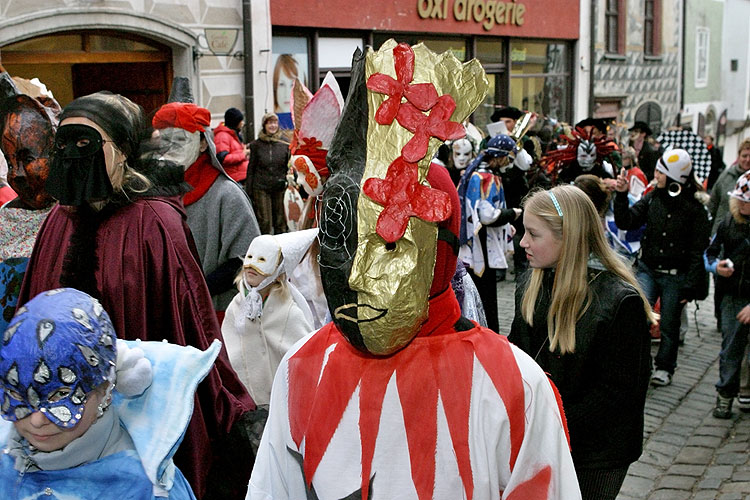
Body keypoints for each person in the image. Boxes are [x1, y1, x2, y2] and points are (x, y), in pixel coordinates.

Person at [249, 40, 581, 500]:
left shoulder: (513, 385)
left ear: (439, 252)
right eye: (345, 242)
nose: (358, 278)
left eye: (387, 244)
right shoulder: (302, 370)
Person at [15, 91, 254, 499]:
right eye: (64, 142)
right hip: (53, 414)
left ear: (122, 150)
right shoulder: (58, 219)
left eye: (86, 143)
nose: (73, 154)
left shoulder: (154, 222)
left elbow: (187, 321)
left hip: (134, 410)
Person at [509, 185, 653, 500]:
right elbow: (516, 356)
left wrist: (551, 424)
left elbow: (618, 395)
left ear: (568, 238)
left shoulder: (618, 302)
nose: (523, 243)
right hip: (545, 439)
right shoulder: (532, 287)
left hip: (596, 455)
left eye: (533, 234)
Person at [0, 288, 204, 499]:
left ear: (105, 389)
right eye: (19, 394)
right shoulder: (5, 446)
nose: (36, 420)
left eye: (59, 395)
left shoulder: (142, 490)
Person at [151, 81, 260, 321]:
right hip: (167, 314)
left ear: (203, 143)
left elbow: (245, 258)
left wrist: (194, 290)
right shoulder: (151, 195)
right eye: (164, 142)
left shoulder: (226, 195)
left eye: (179, 141)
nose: (169, 150)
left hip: (215, 314)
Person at [614, 148, 711, 387]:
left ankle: (665, 368)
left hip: (675, 276)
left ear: (674, 176)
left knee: (669, 325)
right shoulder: (652, 198)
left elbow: (698, 250)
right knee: (640, 317)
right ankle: (640, 364)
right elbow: (626, 221)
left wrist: (690, 287)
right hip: (648, 268)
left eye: (661, 171)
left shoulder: (695, 210)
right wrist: (621, 195)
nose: (656, 175)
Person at [0, 72, 59, 332]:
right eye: (10, 161)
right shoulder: (5, 218)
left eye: (27, 158)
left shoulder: (77, 217)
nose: (16, 174)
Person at [458, 134, 522, 333]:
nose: (510, 163)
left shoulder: (478, 175)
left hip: (481, 241)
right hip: (481, 243)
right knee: (484, 293)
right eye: (509, 158)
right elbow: (486, 215)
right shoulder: (484, 178)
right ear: (501, 156)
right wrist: (512, 214)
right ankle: (486, 331)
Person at [705, 171, 750, 418]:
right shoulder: (728, 224)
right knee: (731, 348)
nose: (742, 204)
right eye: (740, 200)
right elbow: (709, 253)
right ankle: (725, 396)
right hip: (733, 296)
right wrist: (716, 266)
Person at [247, 113, 290, 235]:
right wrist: (249, 190)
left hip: (280, 186)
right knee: (265, 221)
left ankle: (282, 249)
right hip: (261, 187)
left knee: (280, 222)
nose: (273, 126)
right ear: (264, 125)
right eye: (269, 123)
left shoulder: (284, 143)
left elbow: (290, 165)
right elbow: (251, 168)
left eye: (275, 123)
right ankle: (265, 248)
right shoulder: (256, 145)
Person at [213, 107, 250, 182]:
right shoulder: (222, 136)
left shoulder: (233, 134)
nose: (242, 123)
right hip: (235, 179)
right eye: (240, 121)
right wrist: (243, 154)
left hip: (241, 177)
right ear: (235, 122)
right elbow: (223, 158)